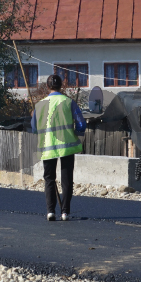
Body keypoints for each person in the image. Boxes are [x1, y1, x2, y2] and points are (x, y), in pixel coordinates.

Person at [31, 74, 86, 222]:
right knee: (67, 179)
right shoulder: (69, 102)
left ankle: (50, 211)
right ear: (61, 86)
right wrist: (76, 133)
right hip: (67, 146)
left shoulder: (39, 105)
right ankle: (65, 212)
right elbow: (82, 124)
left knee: (49, 179)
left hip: (47, 147)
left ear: (47, 87)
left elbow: (34, 128)